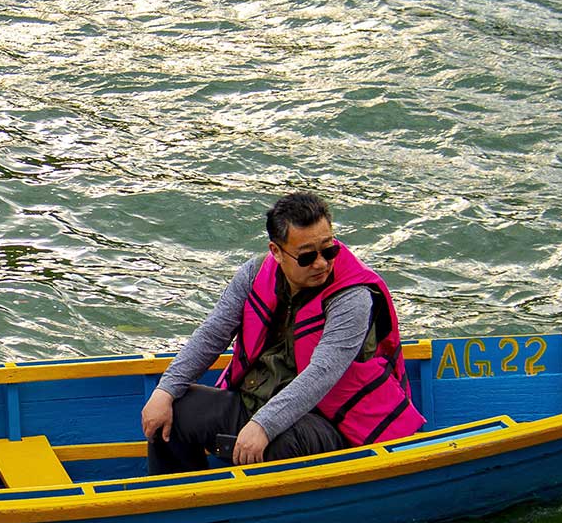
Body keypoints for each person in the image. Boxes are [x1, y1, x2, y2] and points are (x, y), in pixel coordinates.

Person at [140, 190, 424, 475]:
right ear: (276, 252)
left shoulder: (353, 297)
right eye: (307, 257)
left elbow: (322, 373)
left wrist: (263, 425)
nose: (322, 263)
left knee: (279, 443)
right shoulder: (252, 274)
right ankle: (186, 503)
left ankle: (258, 509)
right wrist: (165, 390)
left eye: (329, 249)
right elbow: (213, 333)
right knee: (171, 411)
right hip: (254, 403)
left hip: (327, 423)